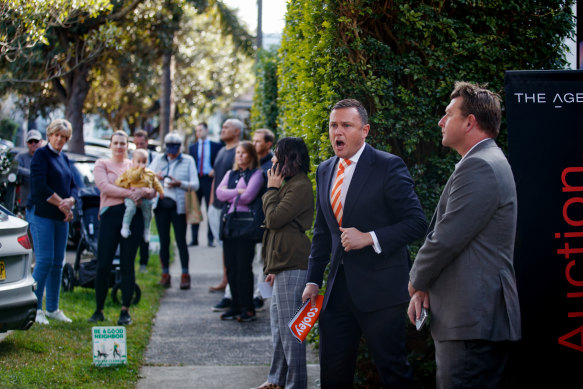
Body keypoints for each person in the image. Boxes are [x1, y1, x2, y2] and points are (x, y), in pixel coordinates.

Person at [301, 99, 427, 388]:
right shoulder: (324, 169)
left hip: (381, 292)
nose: (337, 132)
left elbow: (417, 222)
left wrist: (369, 237)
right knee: (332, 375)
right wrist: (312, 281)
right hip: (336, 293)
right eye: (333, 125)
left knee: (394, 371)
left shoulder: (387, 165)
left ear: (365, 130)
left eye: (346, 125)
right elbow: (322, 231)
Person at [408, 82, 521, 388]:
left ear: (470, 122)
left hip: (472, 322)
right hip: (474, 320)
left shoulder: (480, 166)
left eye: (448, 114)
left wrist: (417, 280)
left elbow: (445, 239)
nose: (441, 122)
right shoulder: (485, 160)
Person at [253, 137, 314, 389]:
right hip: (282, 264)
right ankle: (276, 380)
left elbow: (275, 219)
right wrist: (272, 269)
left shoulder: (299, 186)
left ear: (290, 158)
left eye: (277, 156)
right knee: (279, 330)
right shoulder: (290, 183)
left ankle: (295, 384)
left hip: (293, 263)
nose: (273, 161)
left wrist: (271, 189)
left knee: (292, 333)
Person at [89, 130, 156, 325]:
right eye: (116, 143)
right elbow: (104, 187)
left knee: (128, 264)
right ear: (110, 145)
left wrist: (145, 191)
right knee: (104, 263)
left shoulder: (136, 162)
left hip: (132, 217)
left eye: (123, 143)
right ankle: (99, 309)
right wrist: (130, 193)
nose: (119, 147)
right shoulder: (102, 164)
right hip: (110, 216)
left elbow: (151, 187)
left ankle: (125, 310)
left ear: (128, 146)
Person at [29, 119, 77, 325]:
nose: (59, 139)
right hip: (42, 214)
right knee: (44, 260)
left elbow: (74, 185)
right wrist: (63, 204)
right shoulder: (41, 155)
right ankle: (35, 308)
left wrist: (72, 202)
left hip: (61, 217)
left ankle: (52, 308)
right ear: (49, 135)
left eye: (63, 137)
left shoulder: (64, 158)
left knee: (58, 263)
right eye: (56, 135)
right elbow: (40, 186)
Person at [215, 141, 264, 322]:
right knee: (231, 268)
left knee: (244, 268)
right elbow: (219, 194)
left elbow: (249, 196)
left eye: (243, 153)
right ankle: (234, 305)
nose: (240, 156)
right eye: (237, 153)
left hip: (246, 226)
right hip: (229, 224)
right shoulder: (230, 173)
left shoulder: (257, 174)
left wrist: (232, 193)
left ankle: (247, 307)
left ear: (251, 155)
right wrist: (238, 191)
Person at [150, 132, 199, 290]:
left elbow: (195, 184)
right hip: (161, 205)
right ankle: (165, 274)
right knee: (164, 241)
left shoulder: (188, 160)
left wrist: (180, 184)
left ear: (180, 147)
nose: (171, 151)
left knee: (181, 241)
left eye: (175, 147)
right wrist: (155, 177)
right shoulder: (159, 159)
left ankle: (185, 274)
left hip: (179, 207)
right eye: (169, 147)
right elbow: (146, 176)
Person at [208, 118, 240, 304]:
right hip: (216, 206)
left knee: (230, 247)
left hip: (230, 208)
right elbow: (216, 178)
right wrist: (212, 202)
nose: (222, 129)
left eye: (227, 127)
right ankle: (225, 279)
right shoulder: (221, 151)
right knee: (223, 245)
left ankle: (230, 284)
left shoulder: (239, 151)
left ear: (237, 131)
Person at [115, 148, 164, 242]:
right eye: (138, 162)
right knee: (130, 209)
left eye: (144, 162)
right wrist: (128, 188)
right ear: (133, 162)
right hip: (131, 198)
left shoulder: (149, 173)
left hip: (144, 198)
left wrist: (160, 191)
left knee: (148, 212)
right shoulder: (130, 172)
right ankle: (125, 226)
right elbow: (120, 182)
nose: (141, 164)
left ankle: (147, 230)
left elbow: (156, 183)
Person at [188, 122, 222, 247]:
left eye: (201, 130)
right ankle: (194, 239)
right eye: (197, 131)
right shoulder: (192, 147)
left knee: (210, 210)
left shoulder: (216, 146)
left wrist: (215, 169)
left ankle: (210, 239)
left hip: (209, 180)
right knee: (195, 209)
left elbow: (219, 162)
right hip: (196, 180)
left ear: (206, 130)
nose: (199, 133)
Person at [132, 129, 157, 272]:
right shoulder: (131, 157)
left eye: (141, 143)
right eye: (136, 144)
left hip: (149, 199)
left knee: (145, 231)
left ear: (147, 142)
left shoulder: (154, 158)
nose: (139, 146)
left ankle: (143, 262)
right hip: (134, 199)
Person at [16, 129, 43, 216]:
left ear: (41, 142)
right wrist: (32, 173)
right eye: (30, 141)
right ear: (27, 143)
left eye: (36, 141)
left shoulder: (45, 157)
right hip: (25, 203)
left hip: (42, 203)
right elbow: (15, 168)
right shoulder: (21, 157)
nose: (33, 143)